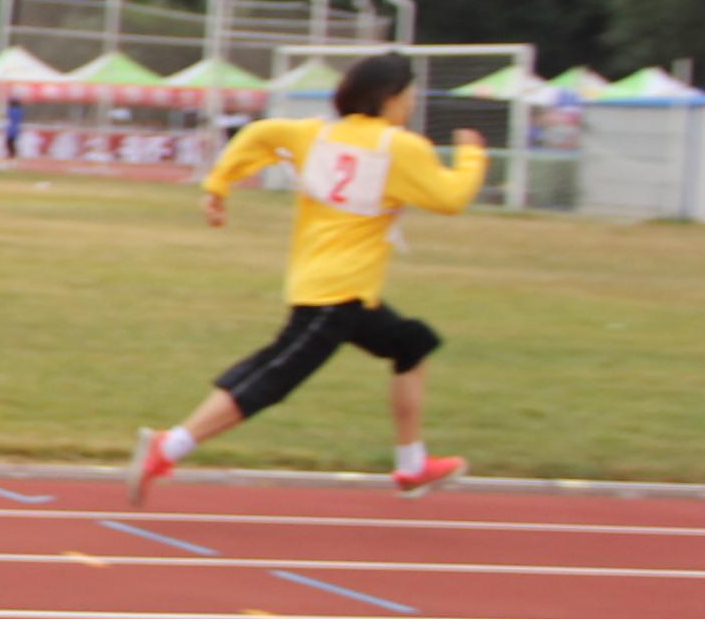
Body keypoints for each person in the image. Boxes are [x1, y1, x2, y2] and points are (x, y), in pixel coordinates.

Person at [130, 52, 484, 503]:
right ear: (391, 98)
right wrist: (473, 155)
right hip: (334, 296)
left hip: (342, 290)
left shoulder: (314, 133)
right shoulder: (398, 147)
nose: (412, 102)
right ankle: (170, 445)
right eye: (410, 94)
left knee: (412, 344)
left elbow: (258, 135)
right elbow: (450, 197)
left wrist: (218, 187)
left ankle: (412, 464)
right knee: (274, 375)